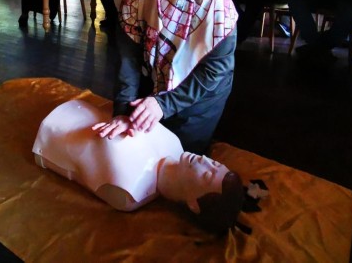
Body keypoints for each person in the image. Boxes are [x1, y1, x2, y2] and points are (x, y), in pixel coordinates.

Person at [94, 0, 238, 155]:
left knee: (178, 154)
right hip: (158, 79)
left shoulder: (214, 4)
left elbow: (213, 71)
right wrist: (122, 111)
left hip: (201, 95)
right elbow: (127, 59)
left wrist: (164, 104)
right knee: (135, 143)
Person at [33, 99, 245, 234]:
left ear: (193, 204)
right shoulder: (175, 146)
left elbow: (76, 171)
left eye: (207, 175)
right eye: (214, 163)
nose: (204, 161)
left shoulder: (130, 192)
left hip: (54, 132)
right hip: (75, 113)